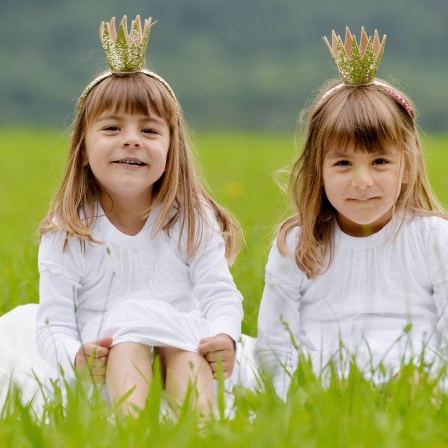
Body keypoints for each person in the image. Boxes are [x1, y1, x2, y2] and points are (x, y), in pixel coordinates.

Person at [36, 15, 243, 416]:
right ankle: (130, 430)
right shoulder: (68, 232)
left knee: (185, 349)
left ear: (171, 149)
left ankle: (199, 429)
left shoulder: (191, 218)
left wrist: (225, 337)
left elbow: (220, 294)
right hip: (110, 359)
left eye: (149, 131)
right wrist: (75, 357)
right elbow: (53, 324)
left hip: (181, 352)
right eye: (112, 128)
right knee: (129, 344)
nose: (131, 138)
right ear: (82, 148)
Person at [254, 27, 448, 400]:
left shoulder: (434, 239)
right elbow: (274, 344)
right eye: (343, 163)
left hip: (413, 383)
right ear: (318, 170)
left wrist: (430, 385)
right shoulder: (298, 244)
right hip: (323, 384)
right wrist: (294, 395)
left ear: (406, 167)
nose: (362, 181)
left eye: (379, 161)